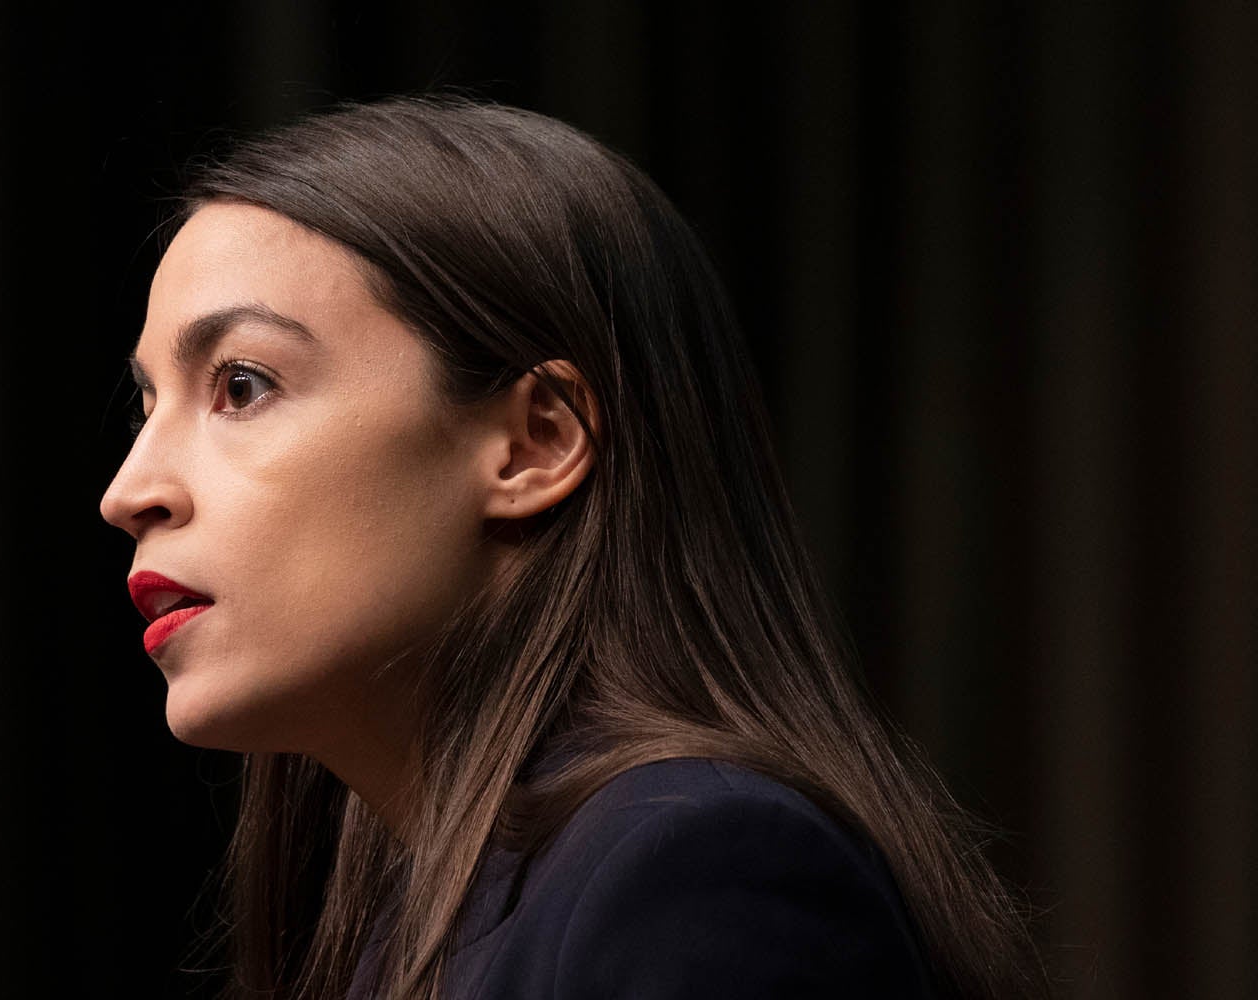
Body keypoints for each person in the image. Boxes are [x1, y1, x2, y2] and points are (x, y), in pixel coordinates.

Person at [98, 95, 1044, 999]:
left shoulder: (692, 873)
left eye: (243, 385)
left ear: (536, 441)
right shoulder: (406, 925)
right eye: (147, 408)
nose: (129, 493)